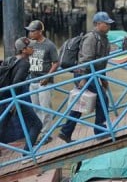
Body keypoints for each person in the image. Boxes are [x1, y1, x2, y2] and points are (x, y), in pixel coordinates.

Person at [58, 11, 113, 143]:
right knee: (103, 100)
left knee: (80, 104)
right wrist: (82, 78)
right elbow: (85, 60)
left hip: (93, 74)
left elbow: (101, 61)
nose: (109, 26)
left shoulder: (104, 39)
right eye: (106, 24)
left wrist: (103, 79)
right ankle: (100, 131)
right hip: (84, 74)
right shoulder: (91, 38)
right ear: (98, 24)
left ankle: (65, 132)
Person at [0, 37, 43, 163]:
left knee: (3, 125)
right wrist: (14, 102)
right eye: (30, 47)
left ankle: (27, 152)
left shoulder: (10, 59)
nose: (33, 48)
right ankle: (27, 155)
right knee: (36, 124)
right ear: (23, 50)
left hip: (5, 98)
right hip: (15, 100)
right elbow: (16, 83)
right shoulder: (25, 63)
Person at [25, 20, 59, 144]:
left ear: (40, 32)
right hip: (32, 81)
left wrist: (48, 77)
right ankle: (38, 133)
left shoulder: (49, 45)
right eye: (30, 31)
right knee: (36, 109)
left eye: (33, 31)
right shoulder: (31, 45)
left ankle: (46, 135)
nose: (30, 33)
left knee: (46, 109)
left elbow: (56, 63)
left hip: (44, 81)